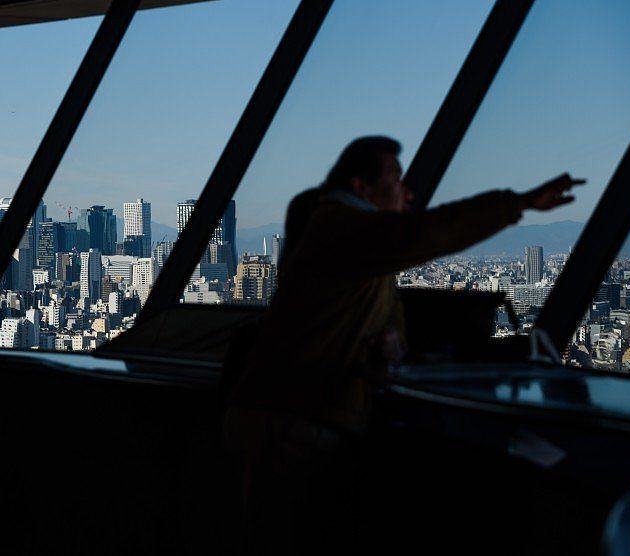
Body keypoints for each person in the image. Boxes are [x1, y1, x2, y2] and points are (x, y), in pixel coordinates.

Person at [224, 136, 583, 554]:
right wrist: (515, 204)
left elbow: (384, 305)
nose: (408, 192)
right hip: (295, 417)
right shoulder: (340, 225)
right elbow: (423, 234)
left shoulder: (355, 246)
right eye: (396, 179)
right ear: (361, 187)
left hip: (291, 413)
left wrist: (391, 340)